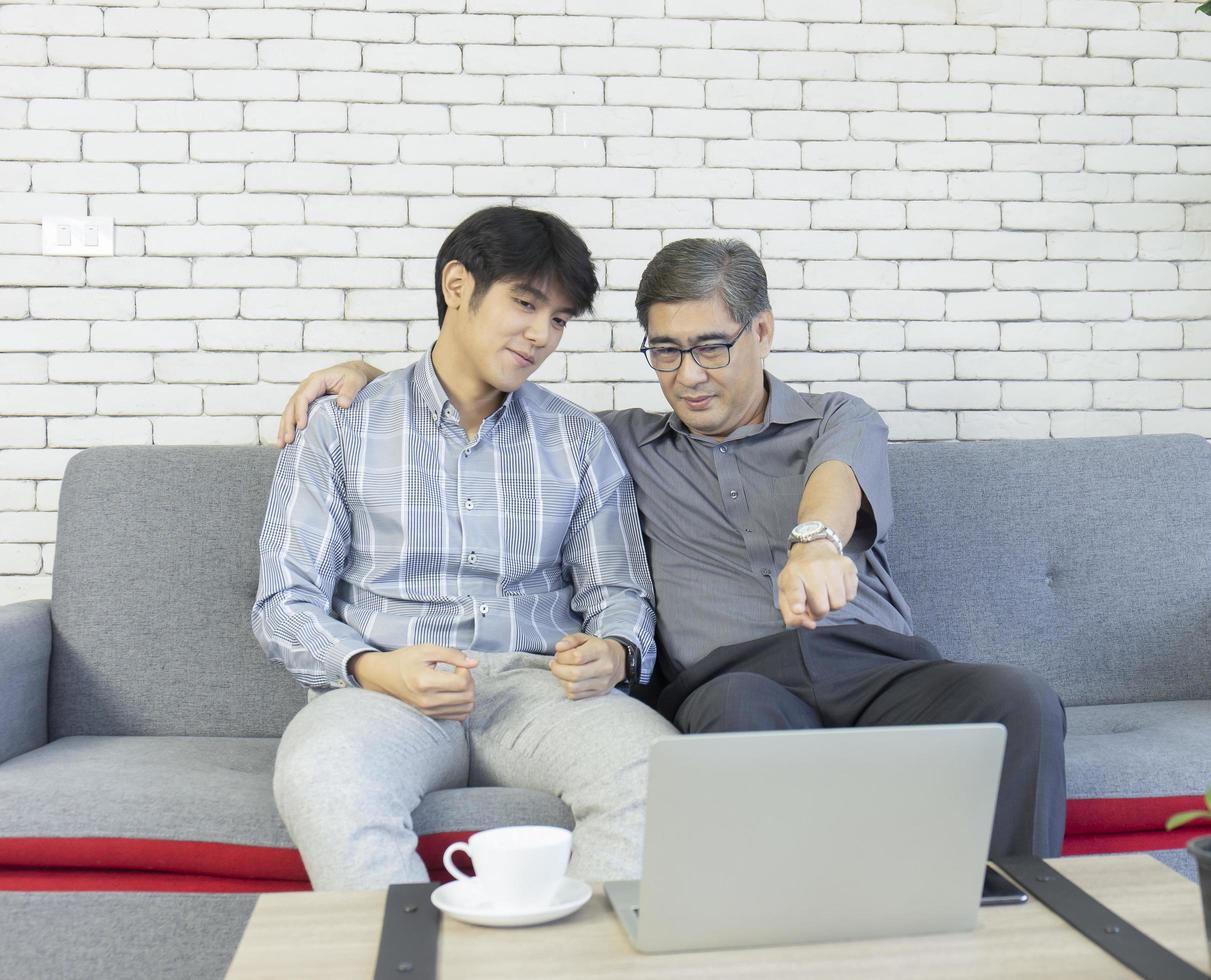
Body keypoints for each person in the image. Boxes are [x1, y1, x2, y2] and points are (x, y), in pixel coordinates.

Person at [280, 238, 1067, 858]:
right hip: (735, 679)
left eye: (711, 347)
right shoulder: (616, 442)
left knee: (1018, 700)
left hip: (879, 666)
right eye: (665, 350)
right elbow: (488, 418)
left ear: (762, 331)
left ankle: (1015, 927)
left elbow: (836, 483)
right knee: (740, 714)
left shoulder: (838, 417)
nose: (687, 376)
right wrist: (377, 382)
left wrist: (816, 544)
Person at [252, 206, 676, 890]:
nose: (542, 335)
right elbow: (284, 603)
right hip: (385, 693)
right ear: (458, 285)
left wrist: (617, 651)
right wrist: (372, 668)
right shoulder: (342, 426)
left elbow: (619, 592)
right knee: (323, 771)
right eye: (526, 303)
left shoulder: (577, 439)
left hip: (539, 694)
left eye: (560, 319)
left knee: (660, 770)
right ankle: (405, 961)